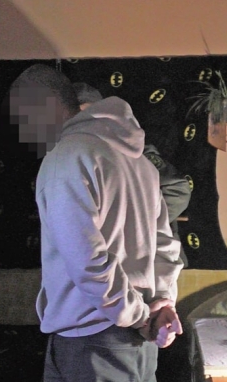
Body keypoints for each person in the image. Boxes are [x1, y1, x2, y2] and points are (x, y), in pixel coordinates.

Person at [8, 65, 183, 382]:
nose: (23, 129)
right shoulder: (140, 163)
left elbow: (88, 261)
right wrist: (161, 303)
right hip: (141, 348)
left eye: (24, 114)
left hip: (90, 344)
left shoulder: (66, 158)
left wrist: (136, 315)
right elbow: (165, 245)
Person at [72, 82, 191, 266]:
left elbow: (177, 190)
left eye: (87, 116)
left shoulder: (130, 148)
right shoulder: (67, 155)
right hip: (97, 259)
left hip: (151, 261)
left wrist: (133, 225)